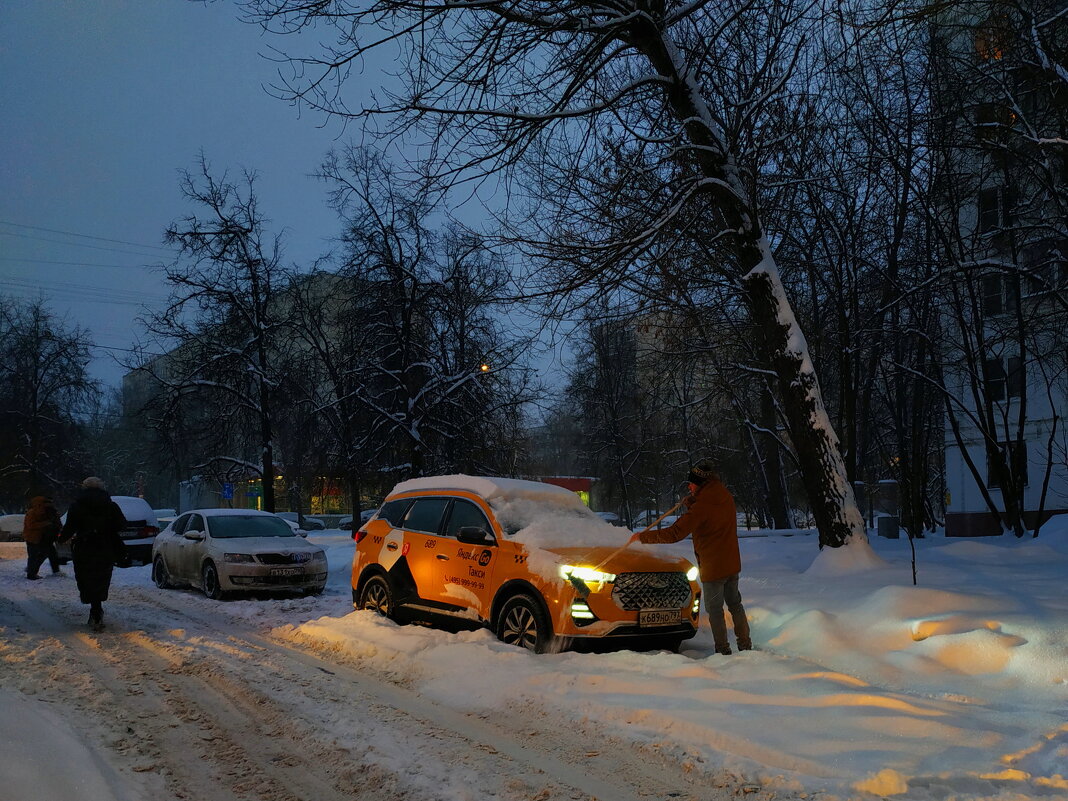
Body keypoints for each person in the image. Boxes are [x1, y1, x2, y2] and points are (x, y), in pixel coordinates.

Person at [629, 459, 751, 655]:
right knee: (735, 604)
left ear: (700, 484)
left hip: (713, 566)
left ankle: (723, 650)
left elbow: (675, 533)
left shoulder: (702, 506)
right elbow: (712, 516)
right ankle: (745, 645)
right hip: (731, 562)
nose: (689, 486)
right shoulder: (725, 496)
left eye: (691, 483)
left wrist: (643, 537)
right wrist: (693, 501)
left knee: (715, 610)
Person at [58, 477, 128, 632]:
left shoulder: (77, 506)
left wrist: (62, 538)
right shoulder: (110, 505)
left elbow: (69, 527)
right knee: (102, 577)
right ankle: (97, 609)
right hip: (105, 547)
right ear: (102, 489)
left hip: (84, 547)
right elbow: (122, 524)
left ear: (84, 488)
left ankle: (94, 608)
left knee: (85, 577)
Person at [22, 495, 62, 580]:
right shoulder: (35, 512)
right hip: (36, 537)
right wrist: (46, 524)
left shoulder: (39, 511)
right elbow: (31, 525)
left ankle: (32, 571)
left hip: (39, 537)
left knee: (38, 555)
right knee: (37, 555)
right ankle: (32, 573)